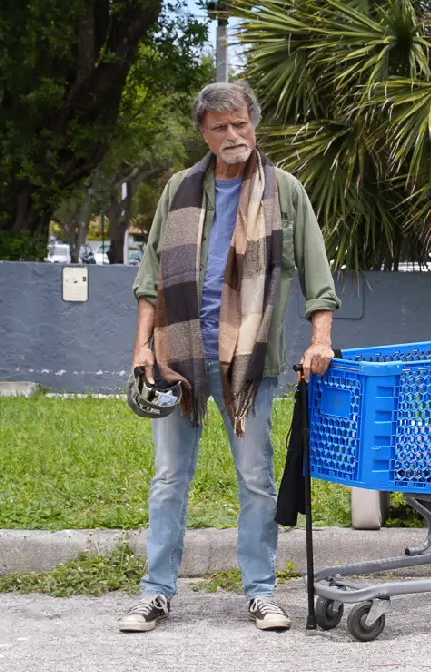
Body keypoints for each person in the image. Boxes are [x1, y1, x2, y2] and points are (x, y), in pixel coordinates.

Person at [122, 81, 341, 634]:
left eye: (240, 123)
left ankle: (261, 592)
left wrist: (320, 339)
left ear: (254, 124)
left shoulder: (284, 190)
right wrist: (143, 346)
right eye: (220, 126)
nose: (233, 134)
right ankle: (155, 593)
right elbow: (150, 278)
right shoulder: (179, 189)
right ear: (204, 133)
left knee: (256, 480)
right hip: (179, 363)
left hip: (250, 366)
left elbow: (318, 277)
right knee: (169, 478)